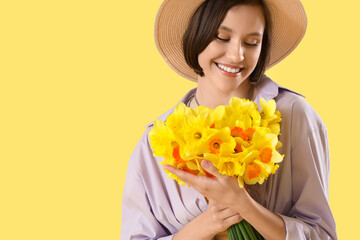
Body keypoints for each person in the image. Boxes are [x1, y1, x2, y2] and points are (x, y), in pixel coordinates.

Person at [121, 0, 337, 239]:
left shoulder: (294, 117)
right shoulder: (155, 143)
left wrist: (245, 206)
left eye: (251, 42)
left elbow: (322, 235)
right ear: (194, 37)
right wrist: (207, 224)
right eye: (222, 38)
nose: (237, 55)